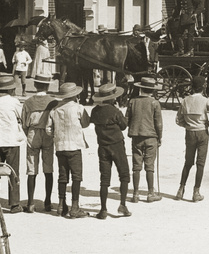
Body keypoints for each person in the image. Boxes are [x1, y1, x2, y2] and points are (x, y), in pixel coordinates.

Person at [176, 76, 209, 202]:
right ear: (203, 87)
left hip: (190, 133)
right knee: (200, 164)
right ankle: (196, 191)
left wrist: (186, 124)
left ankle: (180, 189)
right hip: (202, 132)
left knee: (188, 162)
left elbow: (178, 120)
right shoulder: (205, 101)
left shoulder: (185, 101)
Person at [47, 81, 91, 219]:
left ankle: (61, 205)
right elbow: (85, 123)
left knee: (63, 176)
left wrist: (56, 134)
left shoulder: (54, 110)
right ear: (75, 95)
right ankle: (75, 207)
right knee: (76, 177)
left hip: (60, 147)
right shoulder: (79, 108)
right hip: (74, 146)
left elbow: (48, 129)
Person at [90, 82, 131, 219]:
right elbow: (124, 126)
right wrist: (119, 110)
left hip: (102, 147)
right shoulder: (115, 111)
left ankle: (103, 209)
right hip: (117, 146)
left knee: (104, 179)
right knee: (124, 174)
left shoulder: (95, 111)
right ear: (113, 98)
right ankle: (123, 205)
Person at [0, 75, 25, 213]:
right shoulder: (14, 102)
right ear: (11, 89)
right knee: (13, 172)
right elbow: (21, 117)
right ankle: (14, 204)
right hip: (11, 139)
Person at [21, 73, 57, 213]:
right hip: (47, 135)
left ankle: (30, 203)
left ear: (35, 85)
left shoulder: (28, 102)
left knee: (31, 169)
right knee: (48, 169)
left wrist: (28, 133)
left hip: (33, 132)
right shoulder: (53, 101)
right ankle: (47, 202)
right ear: (47, 85)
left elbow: (24, 123)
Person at [128, 76, 164, 202]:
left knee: (136, 166)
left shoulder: (133, 101)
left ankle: (135, 194)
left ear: (140, 88)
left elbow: (128, 119)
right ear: (152, 90)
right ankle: (150, 193)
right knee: (150, 166)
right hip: (151, 137)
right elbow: (158, 123)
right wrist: (159, 137)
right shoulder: (155, 103)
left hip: (136, 137)